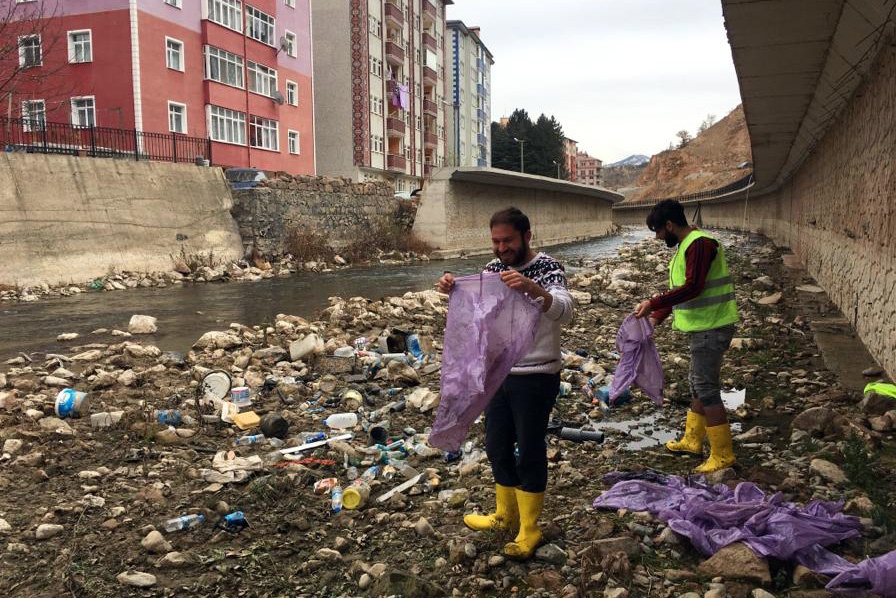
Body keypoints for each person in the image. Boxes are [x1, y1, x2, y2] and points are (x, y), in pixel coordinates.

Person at [436, 207, 574, 559]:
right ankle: (504, 515)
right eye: (495, 241)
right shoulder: (493, 270)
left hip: (538, 373)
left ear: (527, 236)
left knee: (529, 448)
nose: (500, 248)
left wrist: (532, 289)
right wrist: (454, 289)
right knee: (497, 445)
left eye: (507, 240)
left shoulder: (548, 268)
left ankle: (530, 528)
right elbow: (479, 314)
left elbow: (566, 311)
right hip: (498, 375)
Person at [634, 199, 739, 473]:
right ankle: (692, 440)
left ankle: (723, 454)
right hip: (702, 326)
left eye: (658, 231)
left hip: (712, 325)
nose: (658, 238)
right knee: (697, 383)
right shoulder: (688, 245)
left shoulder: (700, 244)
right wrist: (655, 319)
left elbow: (693, 287)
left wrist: (653, 302)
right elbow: (682, 291)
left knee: (705, 386)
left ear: (669, 225)